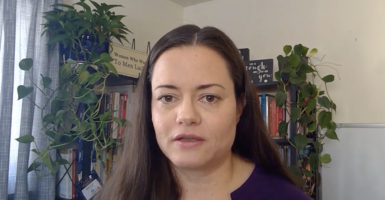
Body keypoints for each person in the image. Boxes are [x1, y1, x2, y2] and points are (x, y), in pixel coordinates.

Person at [95, 24, 313, 200]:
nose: (187, 116)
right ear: (149, 109)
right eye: (167, 98)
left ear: (239, 106)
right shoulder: (117, 195)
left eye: (209, 98)